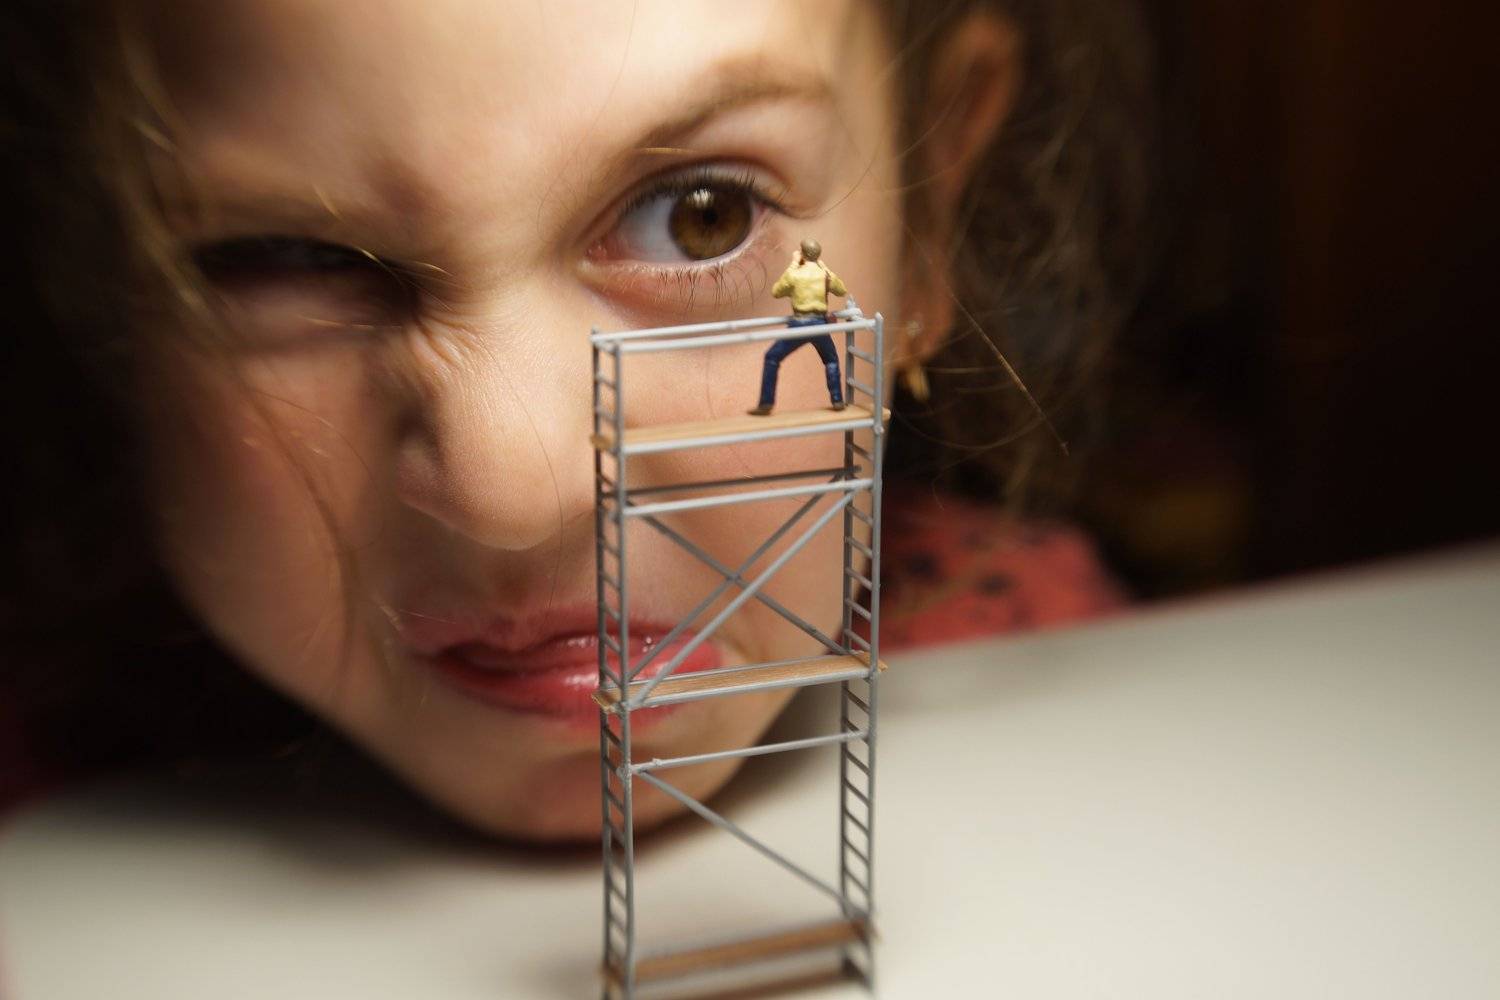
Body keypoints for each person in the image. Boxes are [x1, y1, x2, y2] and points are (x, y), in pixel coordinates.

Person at [1, 1, 1153, 840]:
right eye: (290, 259)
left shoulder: (1059, 675)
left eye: (701, 216)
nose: (509, 492)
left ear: (929, 213)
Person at [750, 238, 848, 415]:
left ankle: (766, 403)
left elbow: (776, 291)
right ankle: (837, 400)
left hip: (800, 324)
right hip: (820, 325)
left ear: (801, 254)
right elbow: (841, 290)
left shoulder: (795, 273)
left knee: (772, 357)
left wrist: (794, 265)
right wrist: (824, 268)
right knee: (831, 360)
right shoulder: (824, 274)